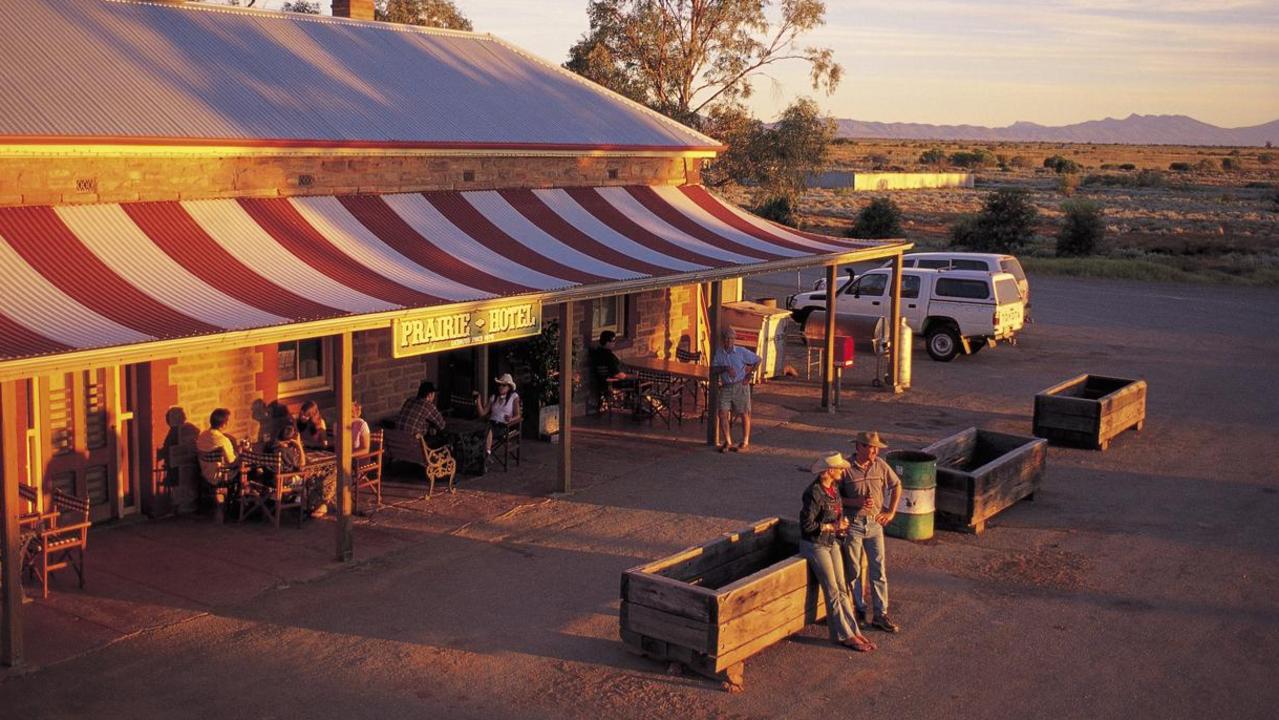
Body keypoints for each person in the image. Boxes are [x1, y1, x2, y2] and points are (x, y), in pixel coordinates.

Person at [801, 452, 876, 653]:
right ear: (829, 471)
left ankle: (852, 631)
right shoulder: (814, 493)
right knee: (832, 589)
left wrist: (839, 526)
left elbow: (838, 513)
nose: (843, 470)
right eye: (840, 468)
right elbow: (807, 525)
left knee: (842, 588)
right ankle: (844, 635)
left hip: (831, 541)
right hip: (816, 544)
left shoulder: (833, 488)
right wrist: (833, 526)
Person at [840, 430, 903, 633]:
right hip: (854, 524)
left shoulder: (881, 465)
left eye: (876, 447)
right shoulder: (845, 469)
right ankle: (859, 609)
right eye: (870, 447)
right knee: (855, 570)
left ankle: (880, 613)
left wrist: (891, 511)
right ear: (859, 447)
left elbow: (897, 485)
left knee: (878, 569)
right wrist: (854, 502)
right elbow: (833, 499)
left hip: (875, 524)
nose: (874, 451)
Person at [710, 328, 759, 452]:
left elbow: (758, 360)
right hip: (726, 386)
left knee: (744, 413)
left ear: (734, 339)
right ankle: (728, 441)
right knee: (722, 413)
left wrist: (749, 375)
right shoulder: (719, 353)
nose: (729, 340)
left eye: (731, 338)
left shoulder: (741, 351)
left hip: (740, 385)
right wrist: (725, 368)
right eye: (727, 338)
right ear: (723, 340)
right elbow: (714, 369)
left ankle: (745, 442)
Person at [475, 373, 521, 457]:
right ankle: (485, 453)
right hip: (491, 423)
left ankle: (486, 454)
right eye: (500, 385)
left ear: (509, 387)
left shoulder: (513, 397)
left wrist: (511, 419)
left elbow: (518, 415)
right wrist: (478, 400)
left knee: (487, 430)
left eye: (504, 385)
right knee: (484, 429)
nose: (501, 387)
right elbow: (482, 413)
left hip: (503, 426)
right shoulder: (493, 397)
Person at [588, 330, 633, 413]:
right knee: (641, 383)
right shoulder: (609, 356)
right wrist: (631, 376)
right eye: (613, 341)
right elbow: (618, 374)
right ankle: (636, 409)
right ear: (607, 343)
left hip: (603, 380)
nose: (614, 343)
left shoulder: (597, 352)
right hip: (614, 382)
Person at [196, 408, 240, 485]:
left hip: (206, 474)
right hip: (220, 476)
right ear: (224, 424)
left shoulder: (202, 436)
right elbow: (232, 462)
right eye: (228, 421)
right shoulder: (223, 440)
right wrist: (240, 456)